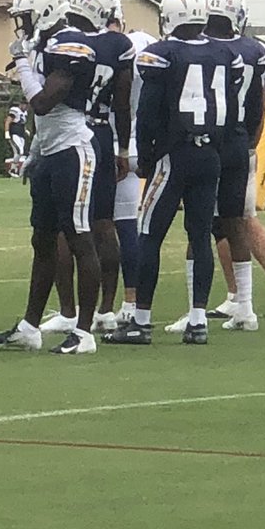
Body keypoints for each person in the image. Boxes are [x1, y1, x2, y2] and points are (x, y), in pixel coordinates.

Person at [104, 0, 242, 346]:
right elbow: (233, 109)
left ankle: (141, 321)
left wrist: (147, 156)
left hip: (174, 154)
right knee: (199, 236)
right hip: (211, 153)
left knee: (150, 234)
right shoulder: (226, 54)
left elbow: (147, 113)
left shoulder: (161, 54)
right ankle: (198, 320)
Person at [0, 0, 101, 356]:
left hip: (73, 150)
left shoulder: (71, 43)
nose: (22, 24)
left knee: (80, 238)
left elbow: (44, 103)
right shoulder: (44, 45)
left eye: (25, 16)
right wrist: (34, 150)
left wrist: (21, 61)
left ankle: (84, 332)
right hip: (49, 152)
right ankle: (29, 327)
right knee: (43, 240)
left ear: (45, 10)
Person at [164, 0, 265, 332]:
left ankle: (196, 309)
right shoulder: (254, 50)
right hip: (239, 142)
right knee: (236, 222)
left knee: (198, 226)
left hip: (208, 141)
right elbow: (260, 104)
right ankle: (245, 306)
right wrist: (251, 140)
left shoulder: (202, 49)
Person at [37, 0, 134, 335]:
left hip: (72, 134)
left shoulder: (63, 41)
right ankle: (106, 309)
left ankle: (69, 310)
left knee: (68, 227)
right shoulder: (118, 44)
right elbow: (122, 102)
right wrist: (123, 147)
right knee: (103, 224)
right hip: (103, 131)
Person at [113, 21, 158, 325]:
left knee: (119, 223)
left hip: (121, 141)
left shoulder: (122, 52)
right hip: (148, 140)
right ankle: (129, 302)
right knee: (132, 225)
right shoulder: (150, 48)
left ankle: (126, 303)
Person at [4, 101, 28, 178]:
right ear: (20, 104)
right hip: (14, 134)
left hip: (21, 134)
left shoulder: (25, 113)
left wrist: (25, 130)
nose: (26, 107)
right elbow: (8, 121)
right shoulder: (15, 110)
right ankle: (15, 169)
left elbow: (22, 123)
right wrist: (7, 132)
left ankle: (13, 170)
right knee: (20, 151)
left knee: (17, 154)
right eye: (24, 105)